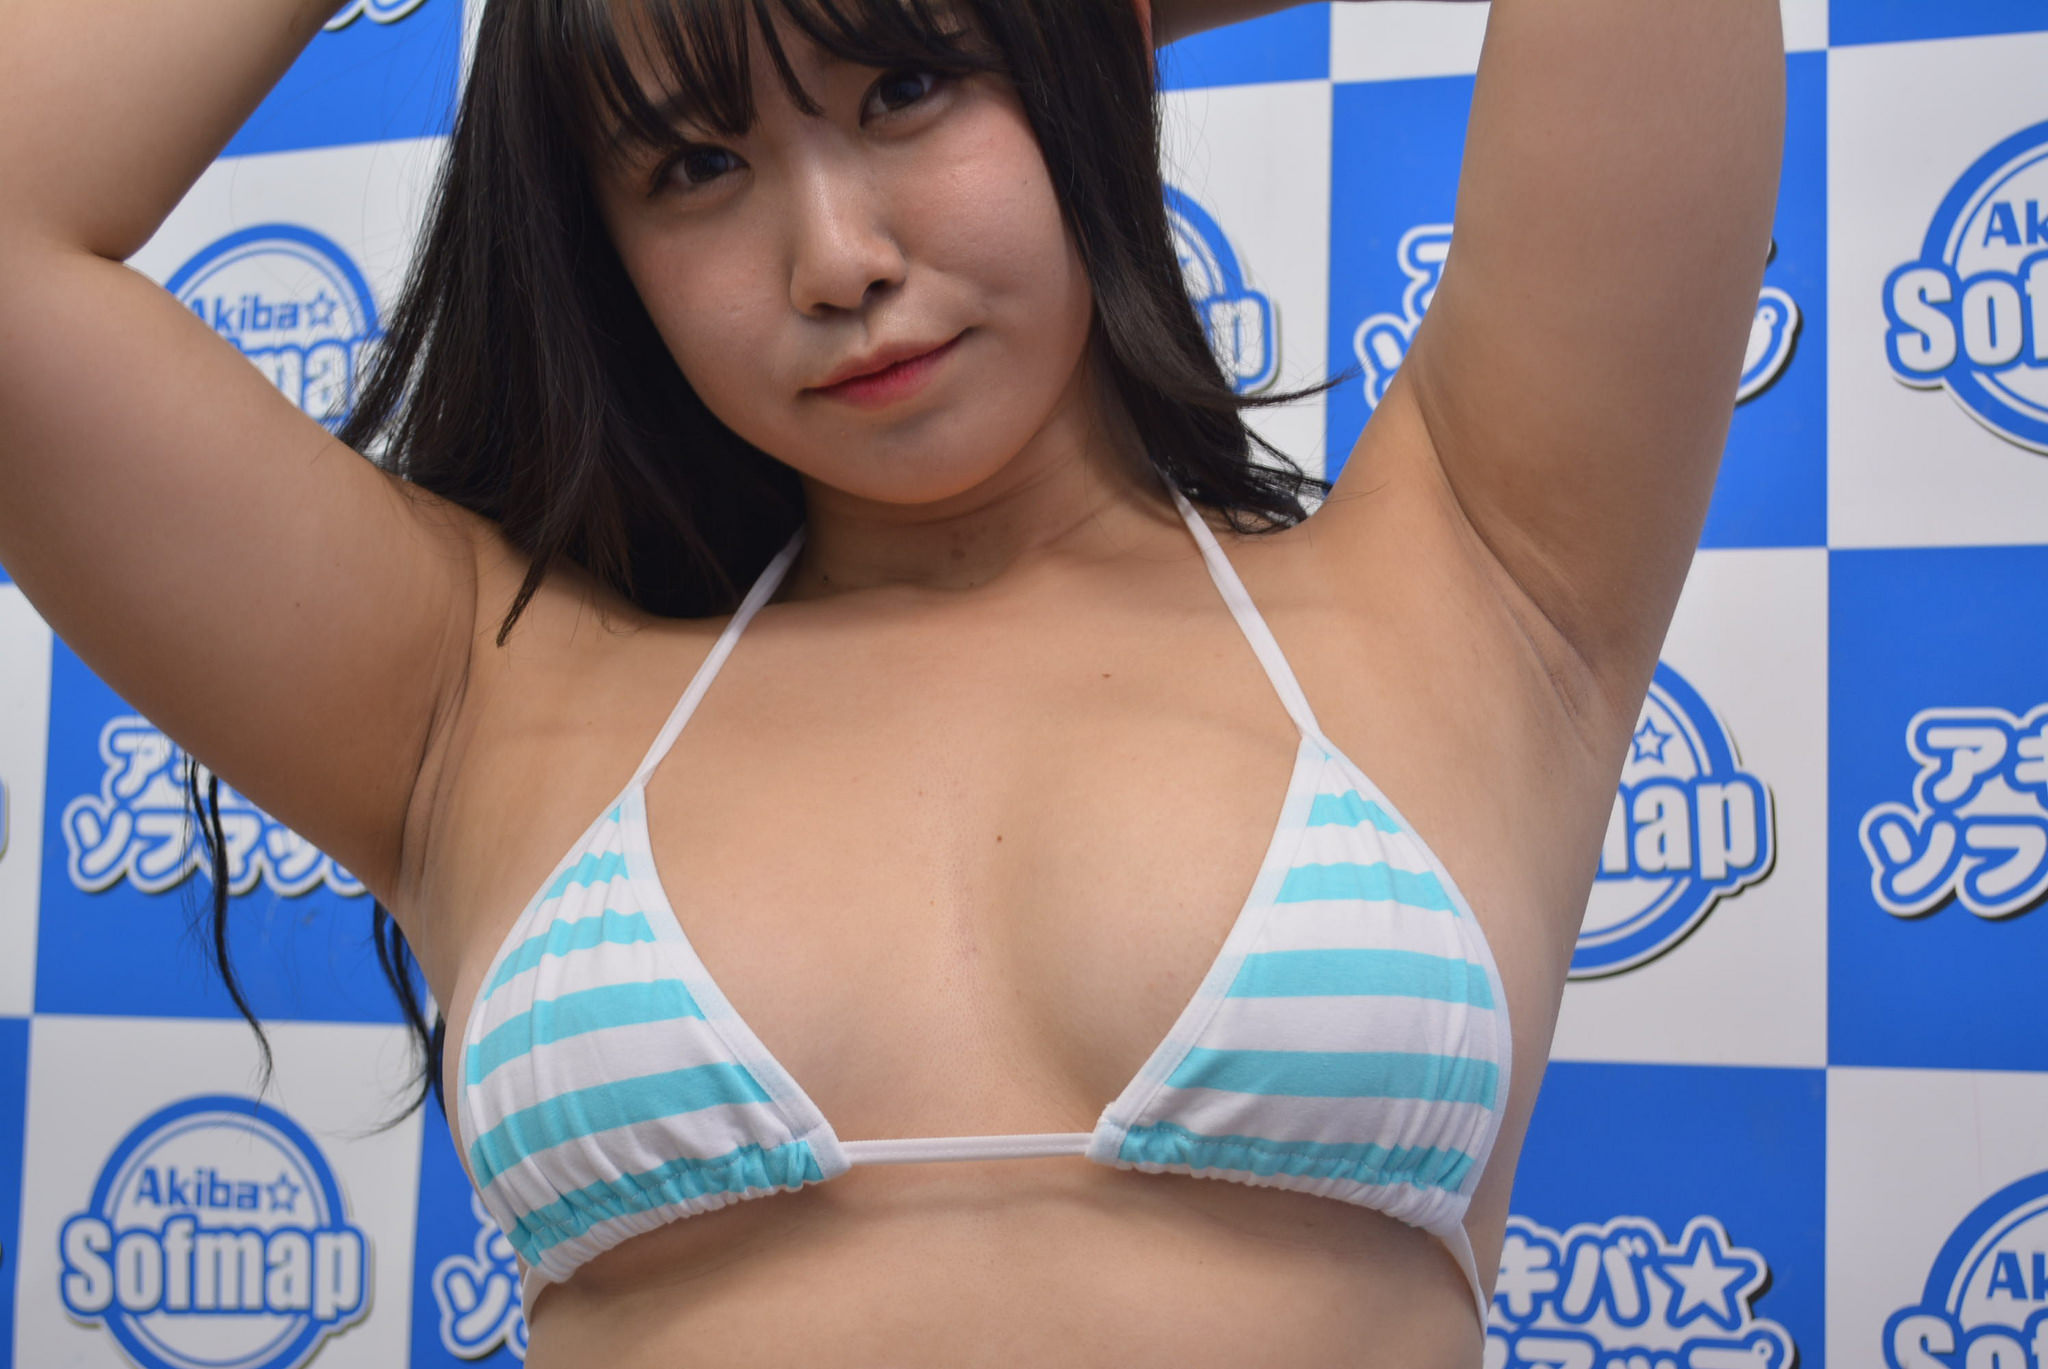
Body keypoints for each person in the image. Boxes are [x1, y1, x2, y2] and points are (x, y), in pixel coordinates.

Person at [0, 0, 1785, 1362]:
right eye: (693, 166)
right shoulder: (474, 696)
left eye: (908, 85)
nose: (837, 257)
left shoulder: (1475, 578)